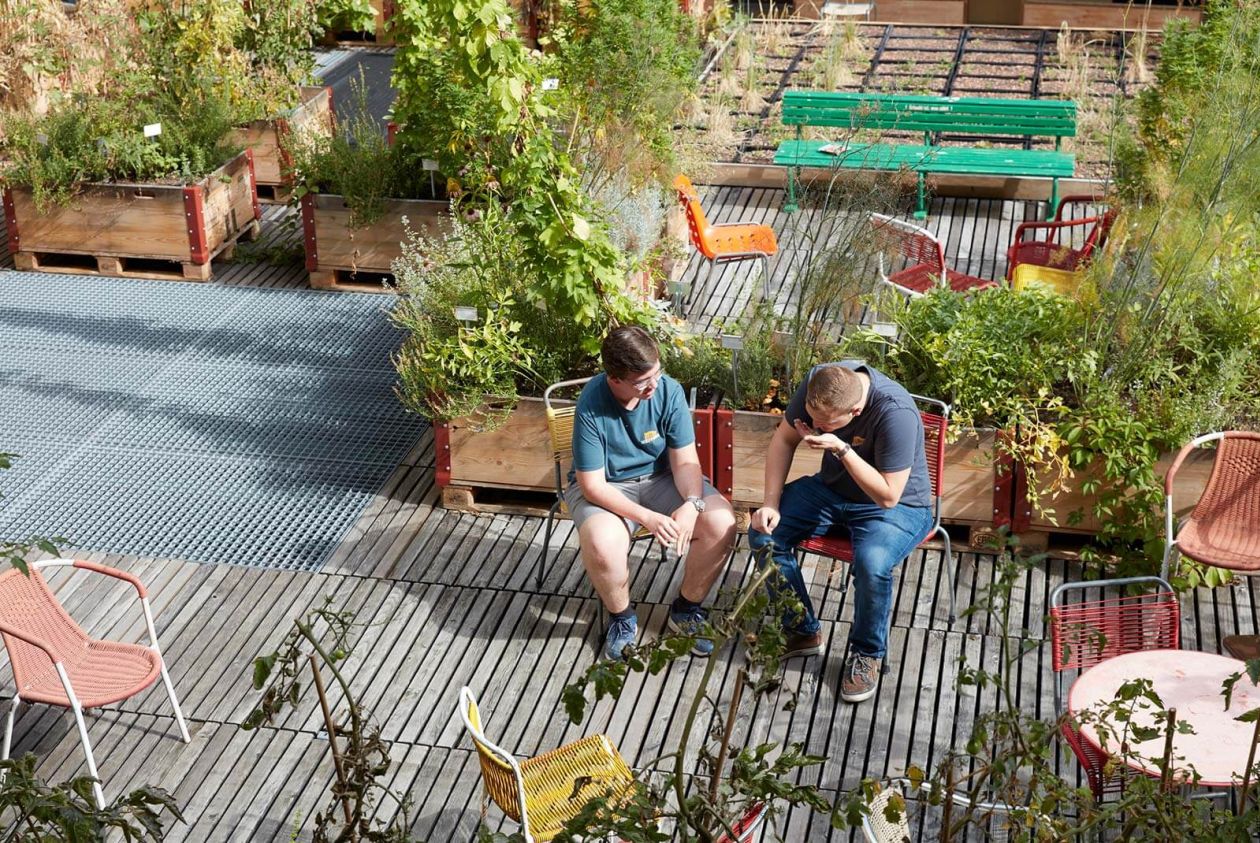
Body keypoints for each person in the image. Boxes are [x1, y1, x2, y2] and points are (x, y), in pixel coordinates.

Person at [748, 362, 932, 703]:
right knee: (763, 534)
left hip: (898, 506)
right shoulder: (821, 384)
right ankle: (801, 630)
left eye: (825, 423)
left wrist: (841, 449)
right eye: (813, 417)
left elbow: (889, 495)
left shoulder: (896, 412)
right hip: (832, 492)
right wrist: (771, 503)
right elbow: (783, 441)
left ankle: (867, 653)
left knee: (872, 563)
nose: (815, 426)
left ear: (856, 410)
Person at [568, 326, 737, 661]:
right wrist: (648, 518)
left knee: (722, 524)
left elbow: (686, 460)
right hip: (610, 488)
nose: (654, 385)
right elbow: (592, 485)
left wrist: (692, 503)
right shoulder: (590, 405)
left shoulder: (668, 391)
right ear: (614, 378)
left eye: (657, 373)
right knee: (603, 544)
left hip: (662, 478)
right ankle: (622, 618)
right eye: (643, 381)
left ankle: (686, 610)